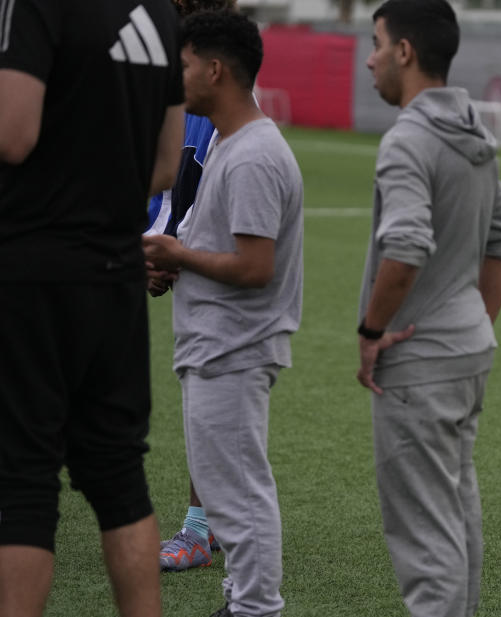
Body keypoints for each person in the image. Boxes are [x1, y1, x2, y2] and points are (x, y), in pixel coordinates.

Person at [0, 1, 183, 616]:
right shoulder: (159, 11)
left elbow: (13, 133)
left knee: (24, 480)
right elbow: (165, 165)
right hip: (116, 278)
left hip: (33, 272)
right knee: (118, 478)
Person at [357, 1, 501, 615]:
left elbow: (404, 248)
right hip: (465, 352)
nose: (369, 56)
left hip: (419, 362)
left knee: (426, 542)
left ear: (404, 51)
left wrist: (371, 331)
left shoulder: (408, 139)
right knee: (455, 515)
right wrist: (472, 320)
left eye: (376, 42)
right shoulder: (475, 131)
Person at [143, 10, 303, 617]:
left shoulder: (254, 154)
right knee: (230, 491)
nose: (174, 76)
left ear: (213, 69)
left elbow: (256, 266)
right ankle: (242, 600)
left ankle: (256, 608)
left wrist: (179, 253)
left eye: (182, 64)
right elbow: (228, 251)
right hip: (215, 343)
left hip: (235, 347)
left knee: (241, 494)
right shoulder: (235, 146)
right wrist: (178, 262)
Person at [149, 0, 239, 575]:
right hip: (174, 254)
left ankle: (203, 529)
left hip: (210, 274)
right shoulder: (166, 74)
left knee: (216, 401)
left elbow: (201, 184)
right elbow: (164, 179)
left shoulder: (231, 115)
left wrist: (172, 252)